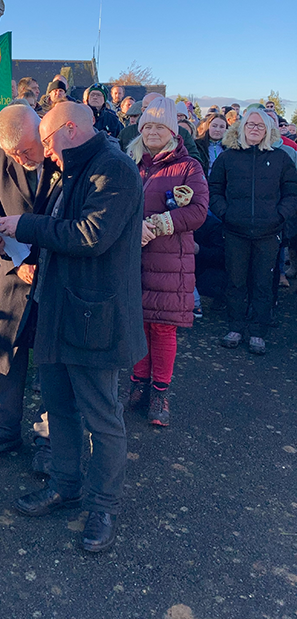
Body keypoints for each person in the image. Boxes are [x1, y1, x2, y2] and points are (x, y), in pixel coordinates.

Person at [0, 102, 147, 553]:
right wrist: (20, 240)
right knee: (59, 405)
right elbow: (61, 229)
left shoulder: (113, 169)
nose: (45, 153)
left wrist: (27, 226)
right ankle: (65, 484)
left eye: (45, 142)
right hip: (58, 308)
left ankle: (103, 506)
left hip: (94, 317)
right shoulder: (72, 168)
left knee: (102, 417)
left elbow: (89, 236)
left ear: (69, 129)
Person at [0, 104, 60, 466]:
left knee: (54, 360)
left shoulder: (58, 145)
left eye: (27, 151)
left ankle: (50, 441)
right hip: (14, 270)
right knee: (5, 353)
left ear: (41, 131)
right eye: (13, 154)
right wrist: (13, 261)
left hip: (57, 270)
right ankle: (0, 429)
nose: (21, 159)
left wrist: (44, 261)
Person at [126, 98, 209, 426]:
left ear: (173, 131)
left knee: (161, 327)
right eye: (146, 126)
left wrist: (157, 225)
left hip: (169, 259)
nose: (152, 132)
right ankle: (137, 383)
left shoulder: (189, 167)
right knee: (136, 323)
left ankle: (160, 391)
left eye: (159, 126)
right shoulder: (131, 163)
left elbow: (198, 211)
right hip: (133, 258)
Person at [209, 109, 297, 355]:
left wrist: (280, 214)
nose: (255, 129)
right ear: (241, 128)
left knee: (262, 283)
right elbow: (214, 189)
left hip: (269, 233)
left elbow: (292, 191)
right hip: (235, 230)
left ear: (268, 130)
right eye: (251, 124)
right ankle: (235, 327)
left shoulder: (281, 158)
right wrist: (225, 213)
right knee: (235, 282)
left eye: (260, 125)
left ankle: (258, 331)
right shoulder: (228, 159)